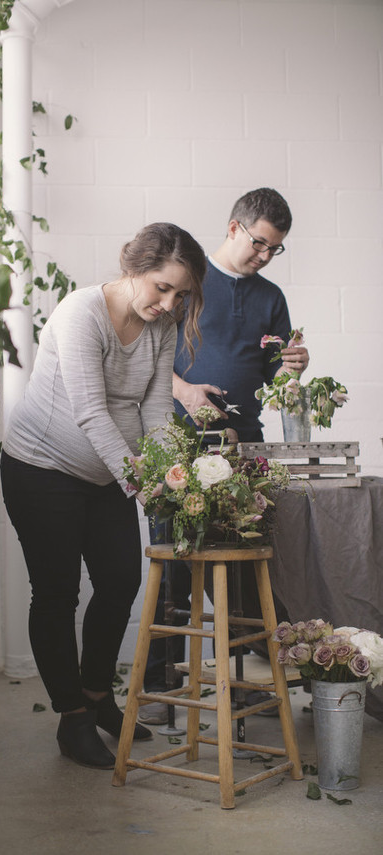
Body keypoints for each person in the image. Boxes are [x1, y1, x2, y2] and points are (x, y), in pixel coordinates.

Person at [0, 222, 207, 769]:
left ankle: (98, 698)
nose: (169, 303)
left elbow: (158, 413)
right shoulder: (79, 313)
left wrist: (175, 473)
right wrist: (145, 487)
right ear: (133, 268)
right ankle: (71, 718)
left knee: (120, 582)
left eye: (181, 294)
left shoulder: (161, 328)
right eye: (162, 287)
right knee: (56, 593)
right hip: (41, 469)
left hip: (107, 477)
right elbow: (90, 412)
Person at [140, 188, 310, 725]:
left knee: (241, 579)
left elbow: (273, 378)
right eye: (259, 243)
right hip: (175, 444)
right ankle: (158, 695)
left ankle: (236, 689)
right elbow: (140, 358)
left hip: (244, 446)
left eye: (274, 249)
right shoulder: (186, 280)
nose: (264, 255)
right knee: (175, 575)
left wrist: (294, 368)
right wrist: (184, 390)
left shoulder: (271, 297)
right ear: (233, 227)